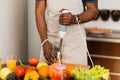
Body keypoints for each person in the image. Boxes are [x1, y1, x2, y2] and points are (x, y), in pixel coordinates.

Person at [35, 0, 98, 65]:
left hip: (75, 44)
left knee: (74, 74)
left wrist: (74, 19)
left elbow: (93, 11)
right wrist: (44, 41)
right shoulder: (46, 42)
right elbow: (39, 11)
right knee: (45, 73)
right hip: (50, 42)